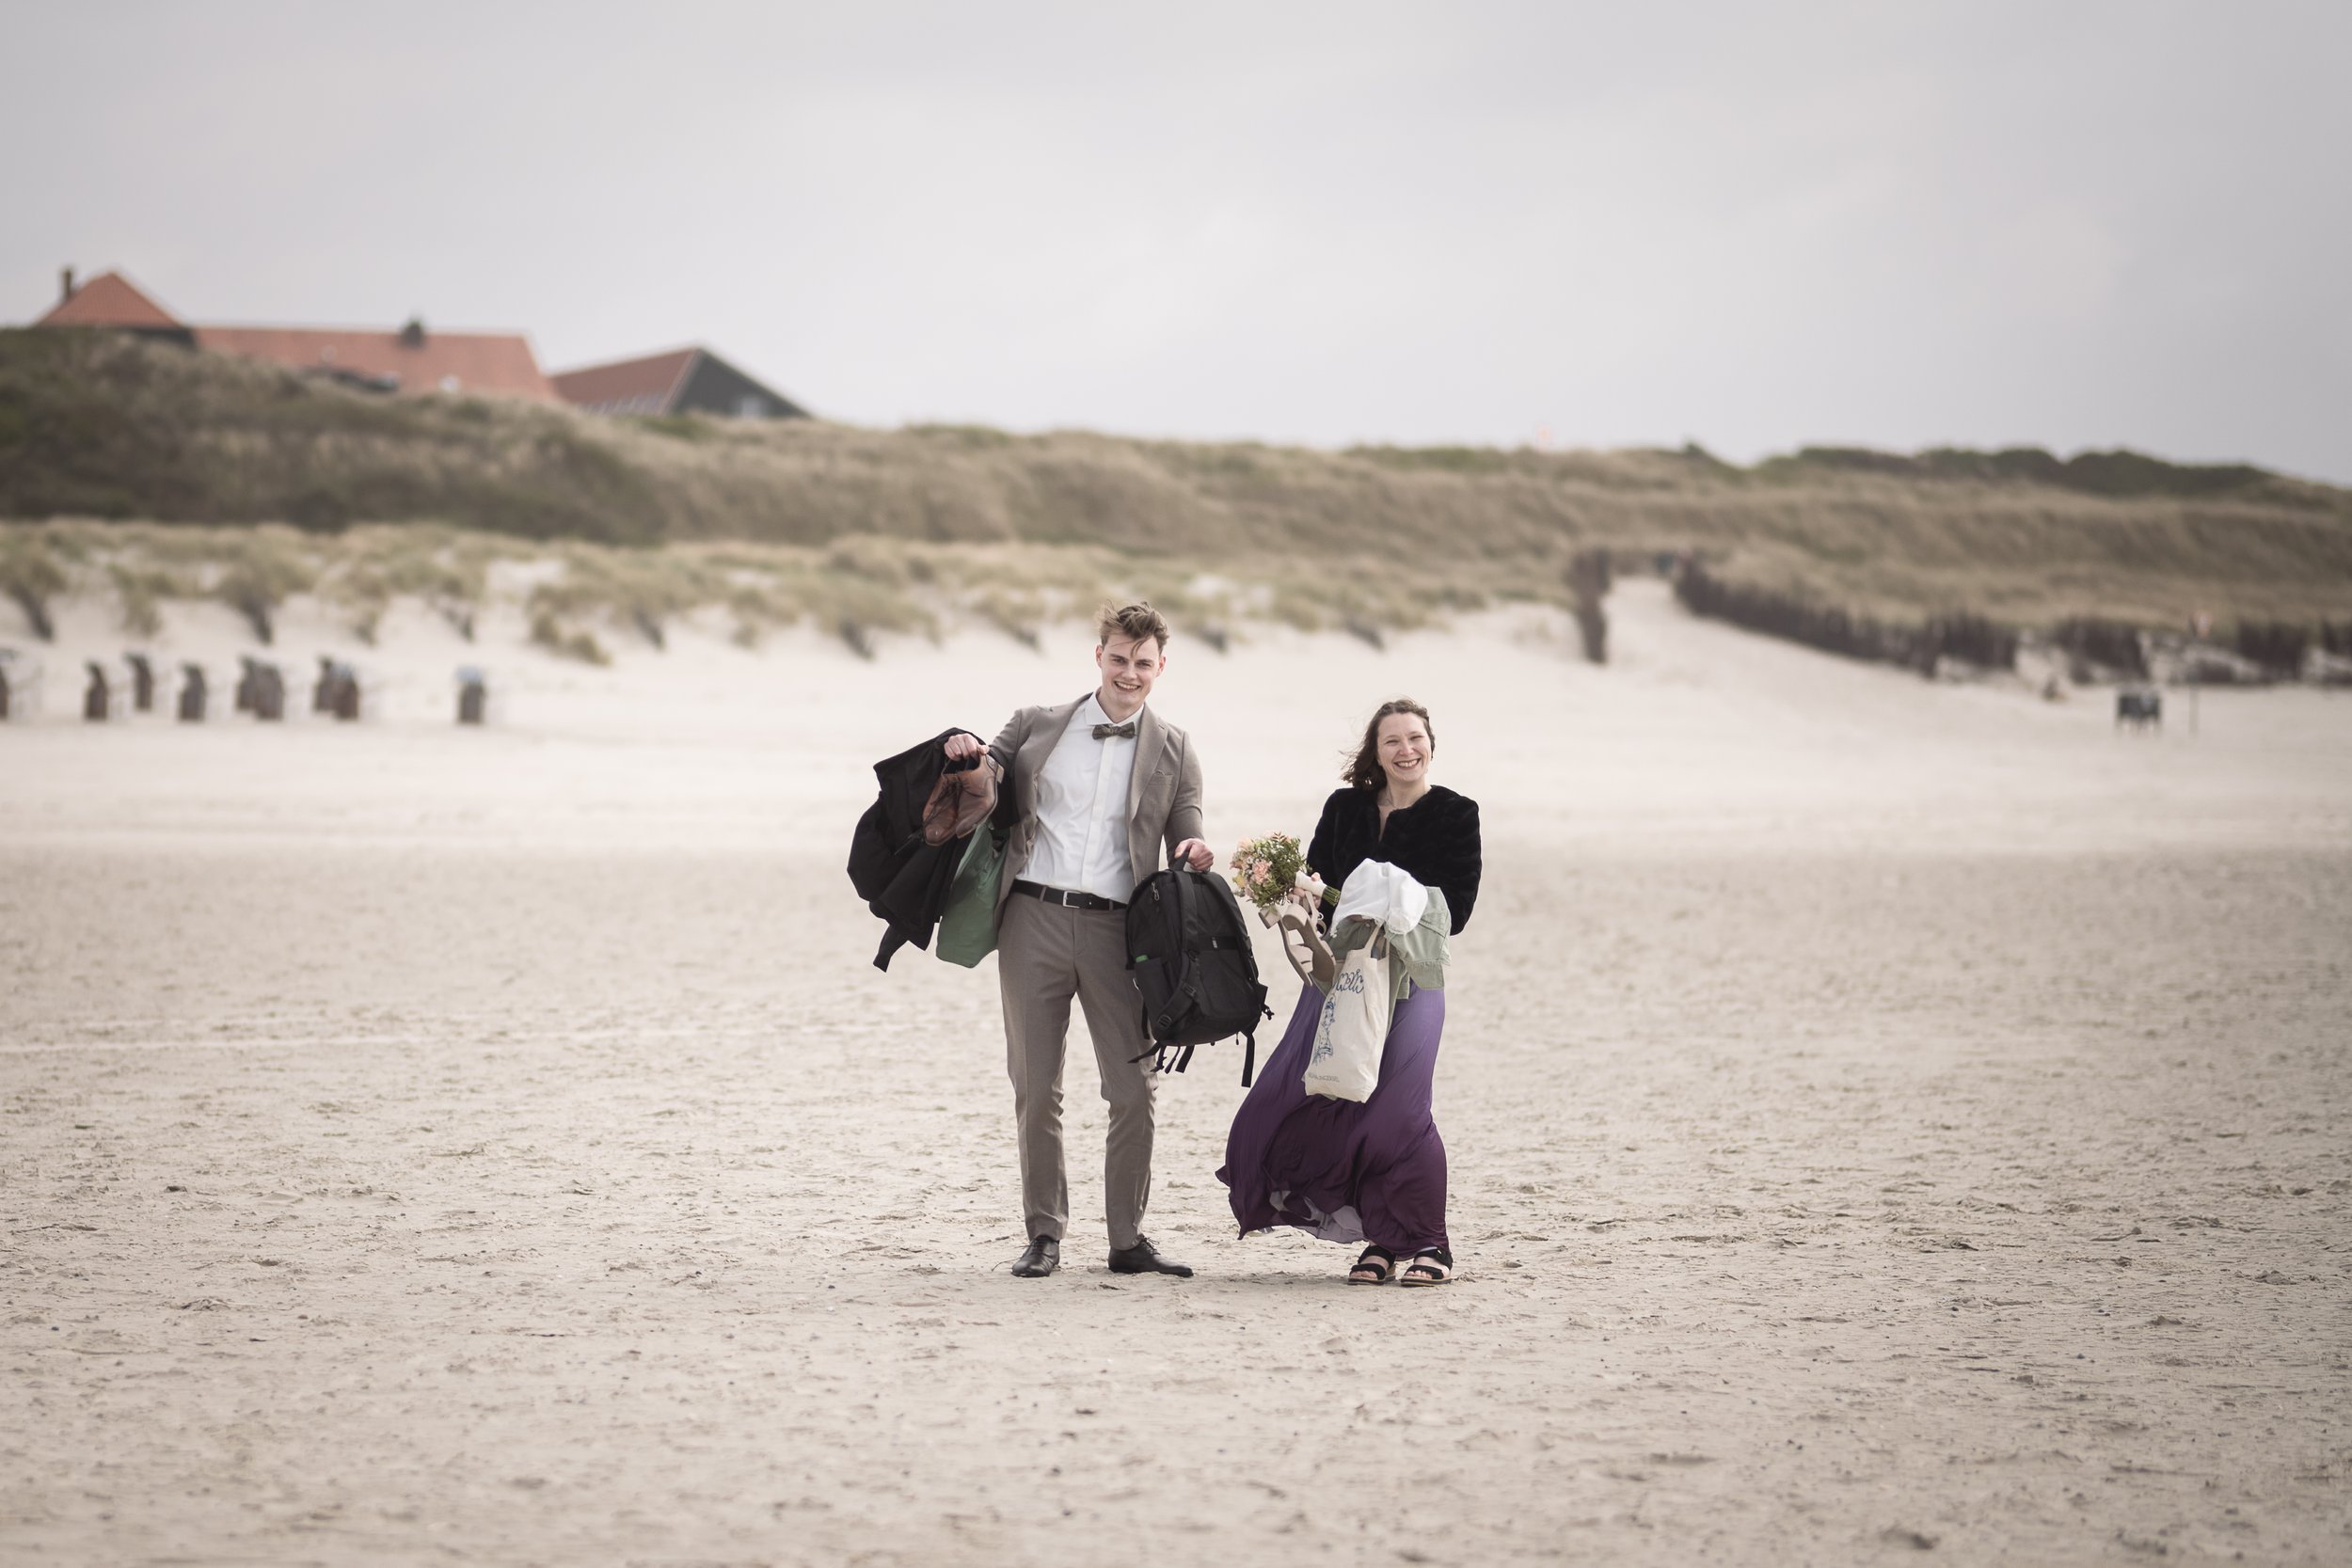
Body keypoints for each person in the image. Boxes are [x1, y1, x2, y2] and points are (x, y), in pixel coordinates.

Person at [944, 603, 1216, 1280]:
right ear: (1098, 655)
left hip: (1121, 934)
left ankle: (1128, 1238)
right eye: (1118, 658)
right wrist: (960, 743)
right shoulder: (1036, 724)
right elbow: (982, 770)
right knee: (1037, 1086)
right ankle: (1044, 1232)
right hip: (1030, 919)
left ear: (1160, 668)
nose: (1129, 672)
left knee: (1134, 1088)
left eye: (1143, 663)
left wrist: (1193, 848)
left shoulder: (1176, 747)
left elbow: (1187, 825)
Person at [1217, 698, 1481, 1286]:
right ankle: (1381, 1243)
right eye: (1393, 741)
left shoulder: (1457, 813)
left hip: (1411, 981)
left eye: (1416, 738)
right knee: (1330, 1101)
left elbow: (1456, 910)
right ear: (1376, 752)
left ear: (1432, 744)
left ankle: (1430, 1244)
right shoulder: (1346, 808)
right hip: (1342, 978)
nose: (1406, 750)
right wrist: (1286, 887)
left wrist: (1387, 894)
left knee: (1401, 1110)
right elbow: (1321, 885)